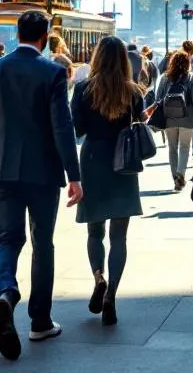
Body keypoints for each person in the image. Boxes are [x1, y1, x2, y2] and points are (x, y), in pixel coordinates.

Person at [0, 10, 83, 360]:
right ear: (45, 37)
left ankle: (6, 292)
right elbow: (62, 127)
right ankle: (40, 320)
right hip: (43, 171)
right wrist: (74, 175)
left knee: (6, 238)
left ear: (17, 33)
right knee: (42, 242)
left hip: (1, 168)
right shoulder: (52, 73)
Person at [70, 36, 144, 327]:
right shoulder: (133, 91)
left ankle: (98, 276)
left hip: (93, 160)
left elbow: (77, 127)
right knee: (120, 237)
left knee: (94, 231)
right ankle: (111, 293)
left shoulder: (83, 89)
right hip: (123, 163)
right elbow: (139, 124)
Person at [151, 50, 193, 190]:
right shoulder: (192, 78)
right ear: (188, 63)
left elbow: (158, 99)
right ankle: (180, 174)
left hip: (169, 118)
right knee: (184, 147)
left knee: (172, 148)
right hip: (187, 118)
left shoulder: (166, 78)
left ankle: (175, 178)